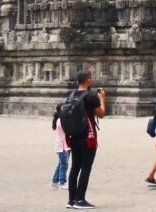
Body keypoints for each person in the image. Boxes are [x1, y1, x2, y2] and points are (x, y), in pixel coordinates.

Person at [66, 70, 106, 210]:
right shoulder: (91, 96)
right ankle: (80, 199)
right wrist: (102, 99)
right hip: (87, 137)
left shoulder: (71, 95)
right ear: (88, 80)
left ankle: (71, 199)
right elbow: (101, 114)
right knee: (86, 168)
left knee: (75, 167)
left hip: (74, 135)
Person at [51, 104, 70, 190]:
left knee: (61, 164)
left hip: (65, 145)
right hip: (62, 145)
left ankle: (55, 181)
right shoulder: (61, 121)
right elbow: (69, 129)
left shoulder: (62, 120)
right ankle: (62, 182)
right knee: (64, 164)